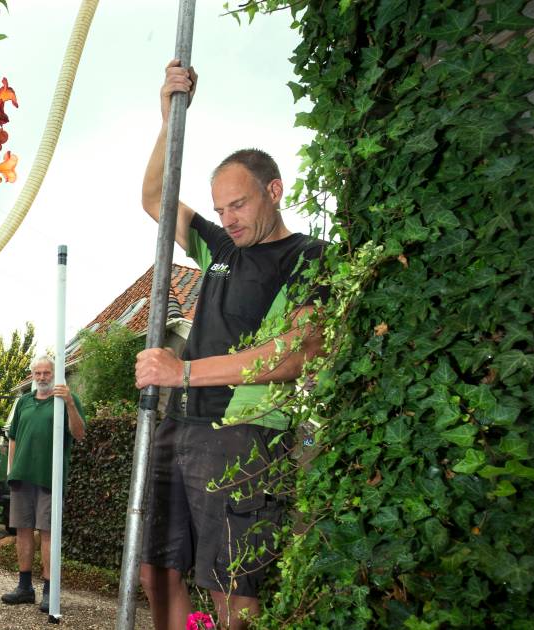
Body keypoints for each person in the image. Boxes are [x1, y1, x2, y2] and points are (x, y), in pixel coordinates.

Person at [133, 60, 327, 630]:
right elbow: (154, 198)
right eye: (219, 209)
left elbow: (297, 351)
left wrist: (182, 373)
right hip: (180, 425)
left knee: (233, 587)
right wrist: (169, 115)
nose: (227, 218)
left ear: (274, 190)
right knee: (155, 570)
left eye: (237, 205)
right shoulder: (220, 248)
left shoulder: (309, 258)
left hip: (244, 436)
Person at [0, 356, 86, 614]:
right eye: (37, 373)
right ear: (32, 376)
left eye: (46, 372)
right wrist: (11, 470)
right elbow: (13, 438)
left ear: (55, 374)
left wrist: (70, 402)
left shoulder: (65, 399)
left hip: (49, 477)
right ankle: (25, 588)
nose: (41, 377)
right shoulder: (23, 402)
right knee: (23, 531)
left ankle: (50, 592)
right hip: (22, 476)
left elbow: (79, 433)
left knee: (48, 533)